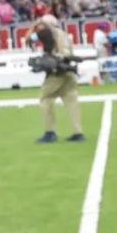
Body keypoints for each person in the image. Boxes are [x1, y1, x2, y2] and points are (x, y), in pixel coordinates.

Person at [34, 15, 84, 143]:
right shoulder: (65, 34)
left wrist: (51, 62)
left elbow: (60, 54)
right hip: (68, 72)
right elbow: (69, 53)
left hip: (57, 73)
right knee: (71, 100)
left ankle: (50, 132)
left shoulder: (53, 34)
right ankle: (77, 132)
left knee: (45, 98)